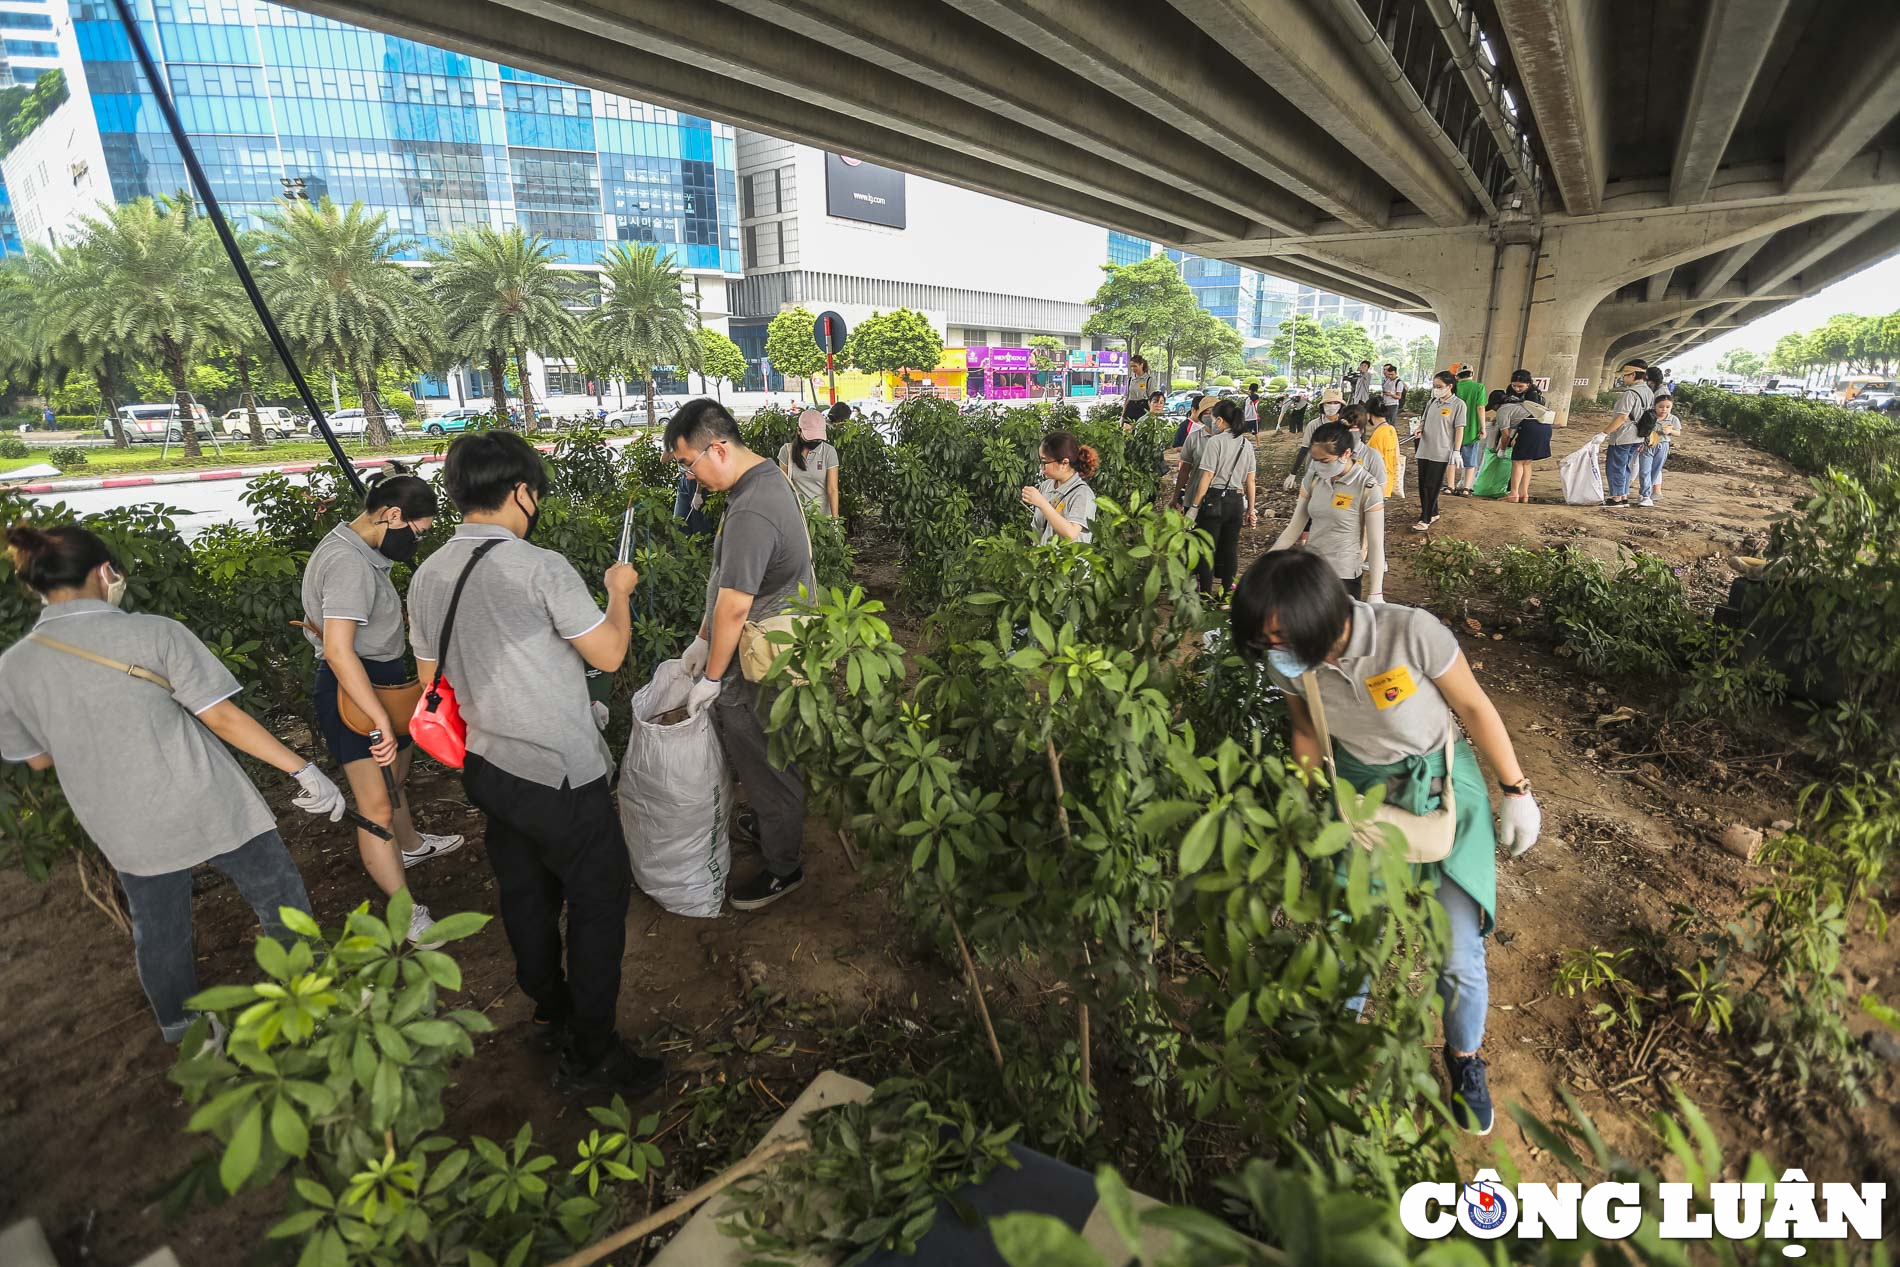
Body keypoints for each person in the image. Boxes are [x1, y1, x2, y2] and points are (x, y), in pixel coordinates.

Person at [1229, 547, 1541, 1135]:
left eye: (1281, 640)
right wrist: (1304, 799)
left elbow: (1473, 706)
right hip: (1360, 795)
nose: (1276, 654)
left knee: (1458, 955)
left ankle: (1464, 1060)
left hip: (1440, 785)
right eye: (1267, 645)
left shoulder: (1410, 634)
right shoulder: (1289, 661)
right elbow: (1305, 730)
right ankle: (1335, 1046)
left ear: (1323, 617)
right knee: (1347, 940)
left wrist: (1515, 788)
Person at [1, 523, 345, 1044]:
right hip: (208, 798)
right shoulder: (155, 633)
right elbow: (223, 718)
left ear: (34, 587)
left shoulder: (12, 668)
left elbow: (39, 760)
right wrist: (303, 769)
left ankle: (188, 1037)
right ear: (106, 572)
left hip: (122, 822)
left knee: (159, 929)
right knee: (278, 898)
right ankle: (313, 1006)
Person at [408, 430, 653, 1096]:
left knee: (526, 894)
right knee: (599, 902)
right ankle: (593, 1052)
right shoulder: (538, 566)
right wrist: (619, 589)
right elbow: (606, 654)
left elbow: (433, 679)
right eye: (534, 492)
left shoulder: (428, 577)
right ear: (519, 490)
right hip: (561, 775)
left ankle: (550, 1010)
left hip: (489, 769)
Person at [300, 464, 461, 948]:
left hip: (385, 684)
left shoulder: (354, 545)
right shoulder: (348, 565)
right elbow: (337, 649)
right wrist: (375, 719)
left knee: (394, 782)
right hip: (358, 692)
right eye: (415, 532)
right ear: (391, 515)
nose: (415, 543)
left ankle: (409, 847)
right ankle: (404, 914)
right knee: (375, 808)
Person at [667, 400, 814, 913]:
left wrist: (711, 675)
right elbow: (725, 584)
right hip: (756, 646)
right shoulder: (759, 481)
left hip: (760, 657)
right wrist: (703, 637)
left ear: (719, 448)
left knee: (768, 758)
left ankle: (784, 865)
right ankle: (775, 820)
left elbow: (734, 605)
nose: (691, 476)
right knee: (762, 756)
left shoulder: (752, 507)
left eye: (689, 463)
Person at [1272, 421, 1385, 601]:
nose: (1317, 466)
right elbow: (1294, 528)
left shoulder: (1367, 487)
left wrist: (1376, 592)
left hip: (1344, 576)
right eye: (1314, 460)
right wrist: (1268, 561)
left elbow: (1376, 543)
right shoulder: (1314, 478)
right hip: (1311, 570)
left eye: (1324, 461)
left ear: (1346, 454)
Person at [1185, 398, 1257, 594]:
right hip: (1236, 501)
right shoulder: (1246, 445)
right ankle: (1226, 590)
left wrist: (1194, 506)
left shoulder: (1215, 442)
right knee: (1230, 548)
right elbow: (1251, 481)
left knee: (1208, 548)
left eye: (1215, 418)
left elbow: (1207, 476)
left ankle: (1206, 593)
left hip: (1215, 500)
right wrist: (1251, 509)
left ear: (1220, 420)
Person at [1023, 431, 1100, 545]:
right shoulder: (1046, 486)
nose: (1041, 467)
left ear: (1064, 463)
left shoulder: (1083, 494)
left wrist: (1042, 504)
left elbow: (1071, 533)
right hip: (1045, 560)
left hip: (1068, 561)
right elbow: (1038, 530)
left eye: (1045, 462)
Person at [1412, 371, 1464, 530]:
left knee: (1431, 485)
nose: (1436, 389)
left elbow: (1459, 428)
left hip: (1441, 451)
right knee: (1422, 484)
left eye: (1439, 386)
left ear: (1450, 386)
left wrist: (1456, 450)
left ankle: (1425, 518)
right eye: (1434, 386)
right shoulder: (1432, 402)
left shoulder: (1458, 405)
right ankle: (1433, 512)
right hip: (1424, 448)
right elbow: (1424, 419)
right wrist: (1419, 428)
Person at [1602, 359, 1654, 508]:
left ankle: (1616, 498)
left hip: (1624, 436)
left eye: (1625, 375)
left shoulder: (1630, 393)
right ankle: (1623, 495)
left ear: (1633, 375)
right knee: (1626, 466)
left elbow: (1622, 416)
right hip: (1638, 436)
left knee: (1616, 466)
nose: (1623, 378)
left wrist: (1605, 432)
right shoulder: (1648, 392)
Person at [777, 409, 841, 519]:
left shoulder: (829, 452)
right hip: (798, 518)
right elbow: (784, 487)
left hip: (823, 519)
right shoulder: (787, 451)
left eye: (818, 439)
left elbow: (832, 489)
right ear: (799, 431)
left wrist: (835, 522)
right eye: (811, 438)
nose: (815, 442)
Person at [1284, 387, 1343, 491]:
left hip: (1338, 472)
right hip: (1316, 471)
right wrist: (1293, 473)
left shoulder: (1344, 425)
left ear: (1341, 406)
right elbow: (1304, 448)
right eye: (1328, 403)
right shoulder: (1314, 425)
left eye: (1335, 403)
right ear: (1323, 405)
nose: (1332, 406)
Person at [1500, 398, 1553, 503]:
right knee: (1527, 462)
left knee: (1518, 462)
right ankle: (1524, 494)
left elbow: (1505, 434)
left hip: (1530, 428)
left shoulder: (1502, 409)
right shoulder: (1521, 406)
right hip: (1546, 427)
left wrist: (1502, 449)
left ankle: (1513, 494)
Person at [1171, 394, 1218, 508]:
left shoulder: (1231, 439)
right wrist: (1175, 497)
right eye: (1206, 412)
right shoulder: (1192, 435)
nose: (1210, 416)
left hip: (1220, 497)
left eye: (1213, 412)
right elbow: (1184, 469)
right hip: (1194, 488)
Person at [1637, 393, 1680, 506]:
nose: (1664, 409)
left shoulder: (1673, 419)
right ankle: (1646, 496)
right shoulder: (1649, 416)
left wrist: (1670, 431)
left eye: (1667, 407)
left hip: (1663, 445)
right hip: (1648, 445)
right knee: (1644, 470)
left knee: (1655, 470)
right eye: (1661, 406)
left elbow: (1678, 432)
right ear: (1654, 406)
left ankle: (1645, 493)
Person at [1453, 366, 1488, 496]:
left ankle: (1450, 485)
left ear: (1457, 376)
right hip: (1472, 428)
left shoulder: (1454, 387)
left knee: (1451, 458)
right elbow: (1480, 407)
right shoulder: (1479, 387)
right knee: (1470, 461)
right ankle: (1467, 488)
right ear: (1472, 374)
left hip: (1454, 429)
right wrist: (1483, 427)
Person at [1339, 403, 1387, 492]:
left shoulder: (1372, 456)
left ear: (1362, 430)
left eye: (1354, 427)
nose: (1349, 431)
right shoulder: (1332, 452)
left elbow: (1381, 488)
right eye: (1346, 427)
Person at [1363, 395, 1400, 498]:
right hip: (1388, 481)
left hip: (1377, 485)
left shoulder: (1378, 435)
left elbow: (1375, 463)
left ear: (1369, 414)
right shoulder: (1391, 429)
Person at [1378, 364, 1405, 431]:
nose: (1390, 376)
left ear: (1395, 373)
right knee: (1385, 422)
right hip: (1385, 403)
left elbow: (1399, 396)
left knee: (1391, 423)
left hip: (1393, 404)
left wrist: (1390, 394)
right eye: (1389, 374)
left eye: (1392, 374)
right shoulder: (1387, 380)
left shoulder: (1398, 382)